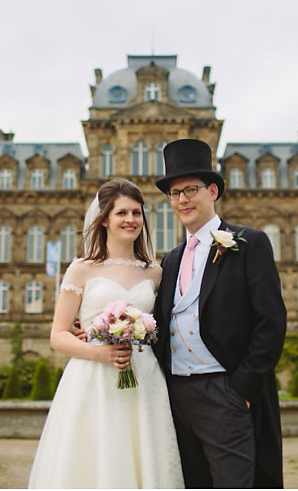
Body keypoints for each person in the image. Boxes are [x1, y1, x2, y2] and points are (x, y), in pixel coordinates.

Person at [27, 178, 183, 489]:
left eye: (137, 213)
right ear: (104, 220)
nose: (131, 220)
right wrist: (99, 351)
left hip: (144, 377)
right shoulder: (81, 269)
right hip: (93, 377)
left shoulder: (154, 271)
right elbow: (58, 335)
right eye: (122, 213)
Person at [153, 138, 287, 488]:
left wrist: (241, 387)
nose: (182, 200)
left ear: (212, 190)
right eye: (174, 193)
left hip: (224, 389)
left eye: (191, 190)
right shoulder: (170, 260)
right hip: (177, 393)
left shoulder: (248, 243)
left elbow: (270, 322)